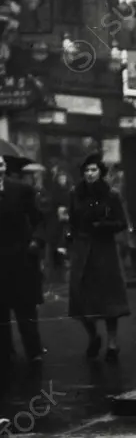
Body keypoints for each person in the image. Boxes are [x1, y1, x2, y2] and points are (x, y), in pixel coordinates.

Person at [67, 154, 131, 362]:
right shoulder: (75, 194)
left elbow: (121, 222)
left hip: (104, 250)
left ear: (100, 172)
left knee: (109, 299)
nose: (89, 174)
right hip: (82, 249)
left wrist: (103, 226)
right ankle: (93, 335)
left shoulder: (111, 195)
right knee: (81, 295)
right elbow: (72, 221)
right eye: (86, 170)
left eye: (93, 170)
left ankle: (112, 343)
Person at [0, 155, 46, 369]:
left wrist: (36, 241)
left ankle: (33, 351)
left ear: (4, 168)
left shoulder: (21, 190)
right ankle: (5, 352)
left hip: (20, 257)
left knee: (25, 308)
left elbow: (39, 219)